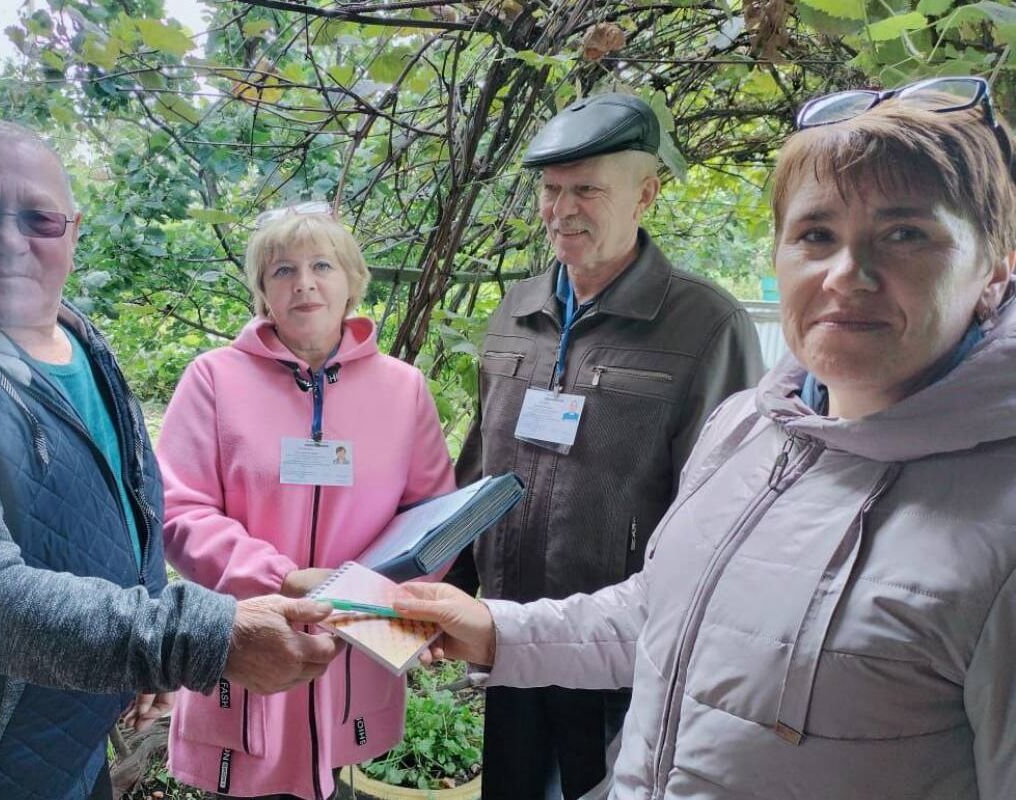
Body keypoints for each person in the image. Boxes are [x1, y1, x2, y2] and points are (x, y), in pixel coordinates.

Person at [397, 76, 1016, 800]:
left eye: (906, 234)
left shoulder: (997, 528)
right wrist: (489, 622)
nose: (850, 273)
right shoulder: (750, 431)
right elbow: (669, 609)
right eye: (817, 234)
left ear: (995, 272)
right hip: (538, 642)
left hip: (599, 701)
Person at [0, 120, 339, 800]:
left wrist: (137, 658)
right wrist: (198, 639)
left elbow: (119, 509)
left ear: (72, 229)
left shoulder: (72, 334)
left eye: (38, 219)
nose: (9, 242)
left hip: (65, 740)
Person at [447, 93, 763, 799]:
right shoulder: (516, 310)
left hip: (624, 650)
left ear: (645, 194)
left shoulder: (705, 325)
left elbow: (726, 507)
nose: (561, 211)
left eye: (586, 189)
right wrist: (448, 593)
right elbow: (480, 460)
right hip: (512, 630)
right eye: (551, 190)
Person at [156, 210, 455, 800]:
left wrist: (364, 598)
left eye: (322, 265)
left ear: (352, 279)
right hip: (253, 632)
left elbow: (433, 515)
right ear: (263, 291)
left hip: (354, 637)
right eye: (283, 270)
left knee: (339, 776)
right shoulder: (213, 379)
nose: (305, 283)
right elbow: (177, 510)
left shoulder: (402, 388)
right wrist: (286, 578)